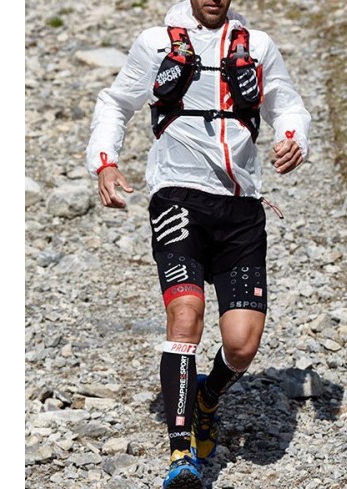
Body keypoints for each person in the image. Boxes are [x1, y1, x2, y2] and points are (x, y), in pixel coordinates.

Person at [86, 0, 311, 487]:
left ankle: (206, 399)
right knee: (186, 316)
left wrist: (294, 136)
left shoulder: (258, 46)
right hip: (178, 198)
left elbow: (287, 105)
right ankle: (181, 451)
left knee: (242, 345)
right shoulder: (156, 43)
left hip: (241, 209)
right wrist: (105, 161)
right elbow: (116, 103)